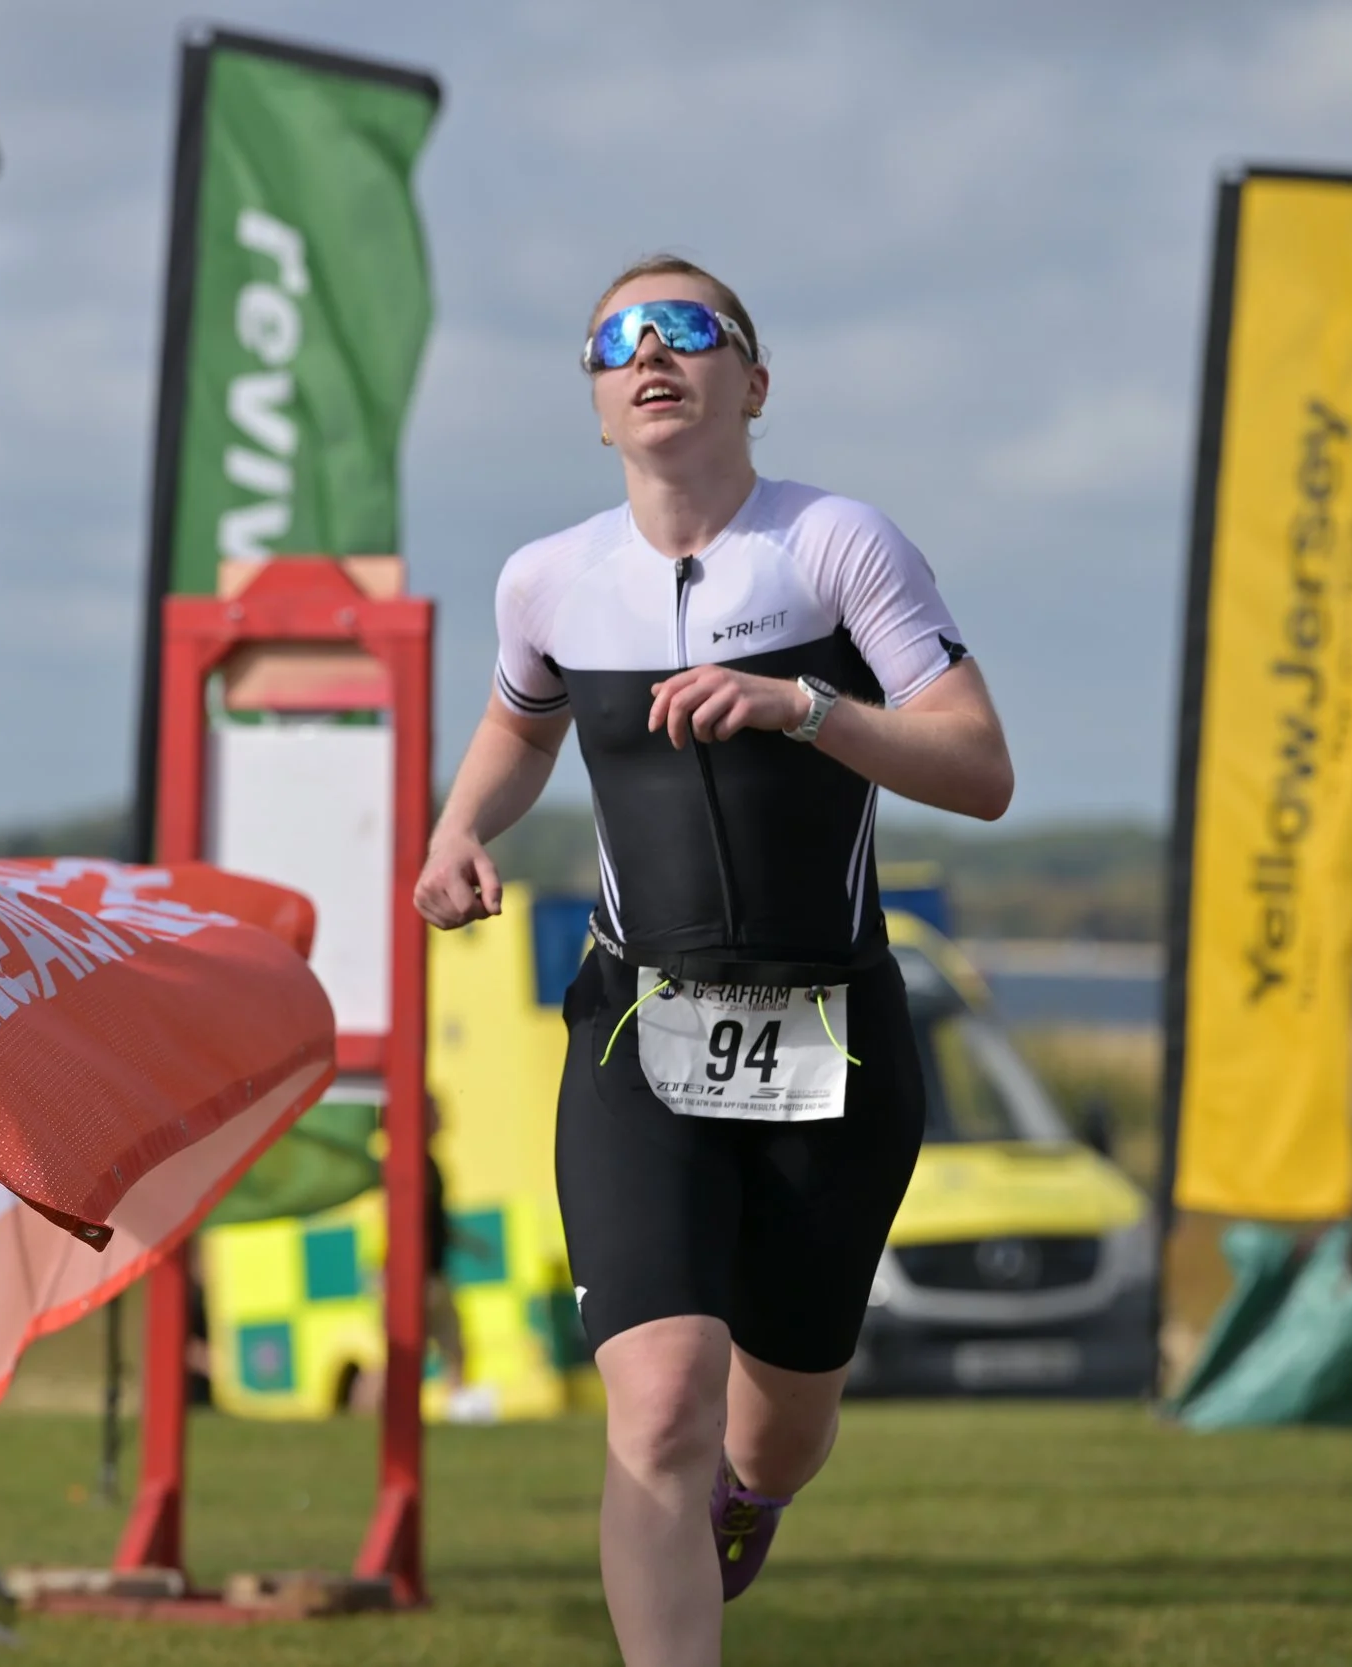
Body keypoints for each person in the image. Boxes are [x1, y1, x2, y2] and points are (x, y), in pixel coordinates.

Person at [412, 255, 1011, 1667]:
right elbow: (520, 724)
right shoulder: (548, 580)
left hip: (833, 1042)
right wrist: (458, 829)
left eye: (687, 328)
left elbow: (979, 767)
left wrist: (804, 708)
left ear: (753, 380)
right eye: (617, 339)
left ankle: (755, 1493)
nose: (649, 353)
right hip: (639, 1031)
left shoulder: (836, 545)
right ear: (596, 402)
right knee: (661, 1402)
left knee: (776, 1428)